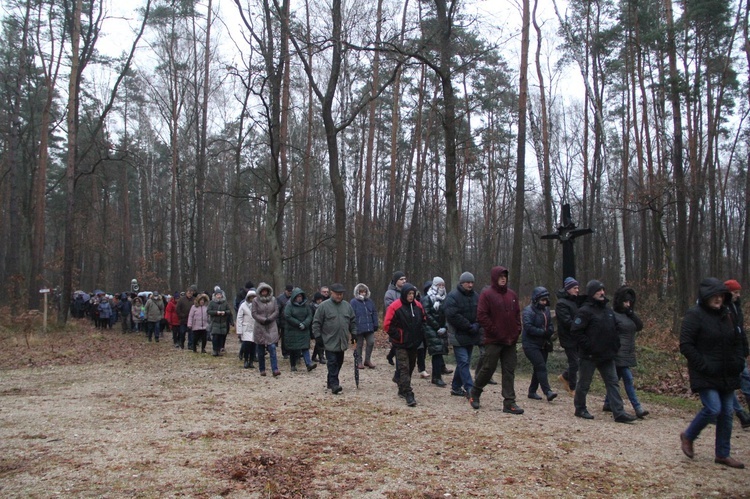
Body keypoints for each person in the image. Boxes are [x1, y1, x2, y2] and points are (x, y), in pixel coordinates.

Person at [680, 278, 748, 468]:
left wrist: (739, 360)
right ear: (706, 296)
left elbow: (737, 339)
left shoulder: (728, 314)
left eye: (721, 296)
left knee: (727, 413)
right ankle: (688, 435)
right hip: (705, 372)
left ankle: (722, 454)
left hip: (728, 371)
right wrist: (703, 365)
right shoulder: (694, 315)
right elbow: (686, 345)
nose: (718, 299)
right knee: (713, 408)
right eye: (715, 296)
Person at [571, 280, 636, 423]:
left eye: (602, 290)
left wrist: (615, 345)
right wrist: (589, 346)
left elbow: (614, 330)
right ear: (591, 293)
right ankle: (580, 408)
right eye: (598, 291)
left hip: (607, 355)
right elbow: (576, 332)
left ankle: (618, 412)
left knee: (613, 382)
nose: (602, 293)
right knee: (584, 383)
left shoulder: (608, 311)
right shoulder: (584, 311)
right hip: (589, 355)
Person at [470, 267, 523, 414]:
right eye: (500, 276)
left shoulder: (512, 294)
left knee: (509, 370)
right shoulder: (487, 295)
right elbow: (481, 315)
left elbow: (517, 314)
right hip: (493, 339)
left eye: (505, 276)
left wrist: (517, 329)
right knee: (488, 368)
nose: (503, 278)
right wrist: (494, 330)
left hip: (510, 340)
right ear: (495, 278)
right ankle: (475, 392)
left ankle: (509, 402)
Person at [603, 286, 648, 418]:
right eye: (625, 302)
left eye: (630, 302)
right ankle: (637, 407)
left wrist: (631, 313)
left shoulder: (629, 315)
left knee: (615, 379)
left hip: (628, 352)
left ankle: (607, 402)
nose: (628, 305)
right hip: (617, 352)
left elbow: (639, 326)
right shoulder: (612, 315)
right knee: (628, 378)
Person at [383, 283, 429, 406]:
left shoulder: (418, 306)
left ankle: (401, 387)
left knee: (411, 366)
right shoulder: (395, 306)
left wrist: (421, 334)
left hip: (415, 342)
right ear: (404, 294)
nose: (411, 296)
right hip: (401, 344)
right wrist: (399, 335)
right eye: (409, 294)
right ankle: (409, 393)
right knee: (404, 368)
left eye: (412, 294)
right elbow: (387, 325)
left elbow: (424, 320)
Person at [312, 283, 356, 394]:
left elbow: (352, 321)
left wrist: (354, 333)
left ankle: (330, 381)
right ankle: (335, 384)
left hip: (342, 340)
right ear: (332, 293)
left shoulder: (347, 306)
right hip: (329, 340)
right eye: (337, 294)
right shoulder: (323, 306)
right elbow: (316, 322)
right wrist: (317, 337)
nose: (339, 296)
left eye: (341, 294)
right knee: (332, 362)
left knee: (339, 362)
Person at [445, 271, 481, 399]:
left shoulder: (476, 296)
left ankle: (455, 387)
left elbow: (480, 312)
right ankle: (470, 388)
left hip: (471, 334)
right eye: (468, 282)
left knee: (463, 362)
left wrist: (476, 325)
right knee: (464, 362)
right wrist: (468, 326)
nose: (470, 285)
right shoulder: (452, 296)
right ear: (462, 283)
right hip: (457, 335)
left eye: (472, 282)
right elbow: (452, 315)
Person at [522, 286, 557, 402]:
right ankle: (547, 391)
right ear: (536, 299)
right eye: (542, 300)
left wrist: (550, 331)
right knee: (541, 366)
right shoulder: (528, 311)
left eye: (546, 300)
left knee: (539, 367)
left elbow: (550, 324)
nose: (544, 302)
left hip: (543, 343)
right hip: (530, 344)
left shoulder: (546, 310)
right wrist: (543, 332)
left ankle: (532, 391)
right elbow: (528, 327)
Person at [724, 279, 750, 428]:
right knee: (728, 386)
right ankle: (740, 413)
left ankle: (743, 413)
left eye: (739, 292)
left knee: (746, 379)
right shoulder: (722, 309)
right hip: (728, 354)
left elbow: (741, 331)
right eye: (735, 292)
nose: (737, 295)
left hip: (739, 351)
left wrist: (745, 348)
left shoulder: (736, 307)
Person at [421, 277, 451, 387]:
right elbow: (427, 314)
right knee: (437, 353)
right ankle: (436, 377)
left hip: (442, 329)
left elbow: (449, 313)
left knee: (440, 352)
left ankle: (437, 375)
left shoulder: (445, 298)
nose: (441, 287)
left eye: (443, 285)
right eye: (439, 285)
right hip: (431, 329)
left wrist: (445, 327)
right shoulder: (428, 298)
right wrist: (437, 326)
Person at [556, 277, 582, 394]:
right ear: (568, 289)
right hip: (568, 337)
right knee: (574, 362)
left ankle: (565, 376)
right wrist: (579, 325)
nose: (577, 290)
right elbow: (566, 321)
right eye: (575, 288)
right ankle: (573, 387)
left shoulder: (575, 302)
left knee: (579, 361)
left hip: (577, 336)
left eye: (578, 288)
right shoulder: (561, 304)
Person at [284, 287, 317, 372]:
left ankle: (308, 364)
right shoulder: (289, 306)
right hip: (293, 330)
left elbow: (310, 315)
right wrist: (298, 323)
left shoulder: (306, 306)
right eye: (298, 296)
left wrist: (305, 323)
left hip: (303, 330)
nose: (299, 298)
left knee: (305, 347)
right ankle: (293, 365)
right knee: (293, 349)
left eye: (300, 296)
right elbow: (287, 316)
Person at [252, 282, 281, 376]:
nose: (264, 292)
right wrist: (263, 320)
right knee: (260, 350)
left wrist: (270, 319)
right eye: (262, 290)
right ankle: (262, 369)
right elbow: (254, 313)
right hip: (260, 327)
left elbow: (276, 311)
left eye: (266, 290)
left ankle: (275, 369)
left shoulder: (273, 299)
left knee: (272, 348)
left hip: (271, 326)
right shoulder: (255, 301)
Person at [350, 283, 379, 369]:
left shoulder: (370, 301)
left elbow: (374, 312)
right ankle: (359, 361)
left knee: (371, 342)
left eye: (364, 292)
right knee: (359, 345)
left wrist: (375, 324)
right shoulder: (353, 302)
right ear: (357, 292)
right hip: (358, 328)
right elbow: (351, 315)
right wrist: (352, 328)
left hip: (369, 327)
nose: (363, 293)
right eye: (361, 292)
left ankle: (367, 360)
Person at [384, 271, 407, 365]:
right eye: (401, 279)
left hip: (407, 321)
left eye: (405, 279)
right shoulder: (389, 293)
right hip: (395, 322)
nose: (404, 281)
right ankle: (400, 368)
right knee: (397, 343)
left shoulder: (408, 291)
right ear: (396, 281)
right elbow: (390, 308)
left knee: (400, 343)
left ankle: (390, 356)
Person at [207, 289, 233, 356]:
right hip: (215, 322)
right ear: (215, 295)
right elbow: (208, 311)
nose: (219, 296)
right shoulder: (212, 302)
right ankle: (215, 350)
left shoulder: (225, 302)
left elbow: (229, 311)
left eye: (220, 294)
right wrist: (216, 312)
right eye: (217, 295)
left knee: (221, 338)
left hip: (223, 323)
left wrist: (224, 313)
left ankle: (219, 350)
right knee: (215, 337)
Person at [236, 288, 257, 369]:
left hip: (255, 328)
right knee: (247, 345)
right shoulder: (243, 305)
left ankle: (251, 361)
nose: (252, 299)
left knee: (253, 346)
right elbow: (239, 318)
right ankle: (246, 360)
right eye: (250, 297)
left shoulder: (257, 306)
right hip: (246, 328)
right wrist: (239, 330)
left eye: (253, 297)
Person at [309, 292, 327, 365]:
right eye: (318, 299)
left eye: (320, 299)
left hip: (322, 326)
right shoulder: (311, 306)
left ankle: (315, 356)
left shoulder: (323, 306)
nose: (320, 301)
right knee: (319, 341)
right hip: (314, 326)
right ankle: (321, 357)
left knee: (319, 342)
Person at [177, 286, 196, 350]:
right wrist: (181, 315)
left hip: (192, 320)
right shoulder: (181, 300)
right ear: (186, 293)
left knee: (191, 333)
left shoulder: (195, 300)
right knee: (182, 332)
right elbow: (177, 309)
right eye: (188, 293)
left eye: (191, 293)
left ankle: (190, 344)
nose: (190, 294)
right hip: (183, 319)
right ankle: (181, 342)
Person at [277, 284, 294, 359]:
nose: (290, 293)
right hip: (283, 321)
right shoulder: (280, 299)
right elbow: (278, 311)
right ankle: (285, 352)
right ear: (285, 290)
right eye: (289, 291)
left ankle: (291, 351)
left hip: (291, 321)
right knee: (284, 338)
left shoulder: (294, 297)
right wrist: (278, 322)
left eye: (291, 291)